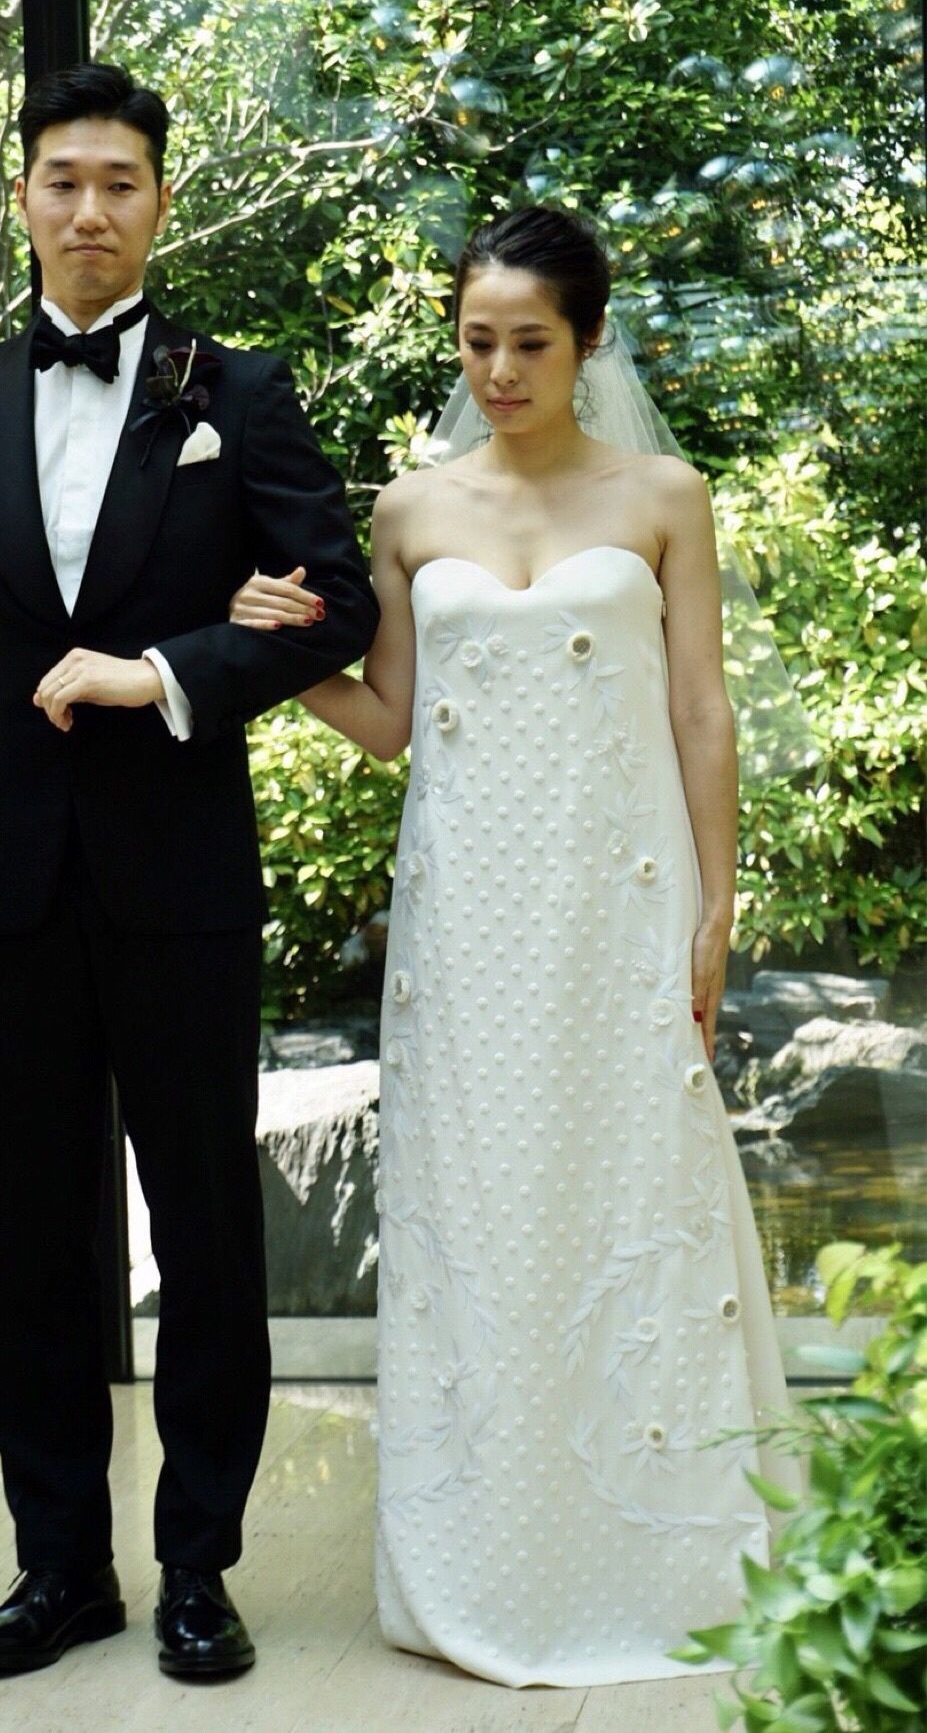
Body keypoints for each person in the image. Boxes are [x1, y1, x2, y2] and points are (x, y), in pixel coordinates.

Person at [227, 205, 801, 1688]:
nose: (498, 371)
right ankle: (488, 1555)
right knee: (481, 1215)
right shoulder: (412, 510)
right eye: (477, 341)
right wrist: (276, 651)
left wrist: (716, 901)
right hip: (469, 921)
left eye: (529, 343)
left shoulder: (665, 495)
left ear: (588, 341)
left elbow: (699, 709)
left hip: (621, 900)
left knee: (629, 1189)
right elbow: (388, 721)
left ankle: (656, 1548)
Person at [0, 61, 379, 1680]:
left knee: (208, 1231)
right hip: (0, 884)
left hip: (182, 881)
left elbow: (340, 604)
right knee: (35, 1239)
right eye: (64, 180)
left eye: (121, 183)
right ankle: (60, 1569)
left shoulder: (244, 390)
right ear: (25, 195)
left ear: (161, 201)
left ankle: (201, 1570)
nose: (91, 210)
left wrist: (163, 670)